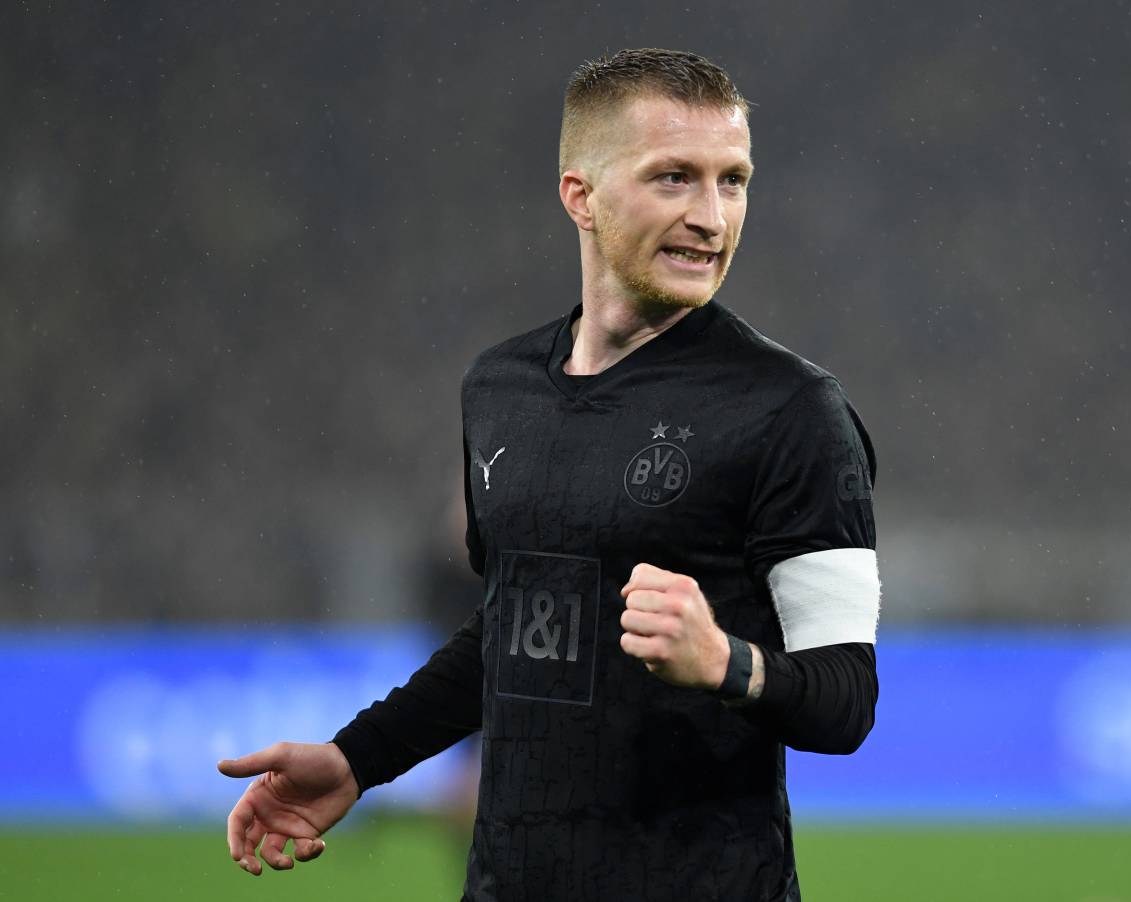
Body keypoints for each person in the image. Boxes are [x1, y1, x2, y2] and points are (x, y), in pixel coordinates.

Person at [218, 47, 881, 902]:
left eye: (733, 181)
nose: (712, 217)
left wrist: (727, 661)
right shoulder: (499, 390)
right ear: (581, 196)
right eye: (674, 178)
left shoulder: (793, 411)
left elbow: (844, 700)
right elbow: (514, 630)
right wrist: (357, 759)